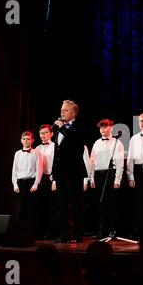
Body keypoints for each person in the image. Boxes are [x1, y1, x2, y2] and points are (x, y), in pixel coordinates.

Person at [51, 100, 87, 243]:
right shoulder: (59, 129)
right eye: (61, 110)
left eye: (65, 110)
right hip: (60, 172)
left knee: (76, 203)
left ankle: (78, 234)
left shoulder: (78, 127)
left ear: (73, 113)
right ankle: (64, 234)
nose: (62, 112)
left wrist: (62, 128)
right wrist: (54, 171)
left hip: (74, 171)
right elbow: (57, 152)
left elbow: (76, 144)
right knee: (62, 204)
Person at [89, 119, 124, 238]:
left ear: (111, 128)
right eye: (101, 128)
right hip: (99, 174)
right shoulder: (96, 143)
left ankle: (113, 229)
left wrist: (117, 179)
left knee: (112, 204)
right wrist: (92, 178)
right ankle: (101, 230)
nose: (102, 130)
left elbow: (120, 162)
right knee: (101, 203)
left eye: (105, 127)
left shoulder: (117, 143)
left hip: (111, 174)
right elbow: (92, 161)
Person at [11, 130, 42, 234]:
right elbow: (14, 170)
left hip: (31, 183)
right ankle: (19, 232)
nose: (26, 141)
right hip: (20, 183)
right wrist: (15, 184)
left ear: (32, 140)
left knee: (31, 208)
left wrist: (36, 183)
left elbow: (39, 169)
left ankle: (30, 232)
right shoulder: (17, 154)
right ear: (21, 140)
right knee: (20, 208)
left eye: (28, 139)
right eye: (24, 139)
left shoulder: (36, 153)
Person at [35, 124, 57, 240]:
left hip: (51, 177)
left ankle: (51, 232)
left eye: (45, 133)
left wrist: (55, 179)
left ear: (51, 134)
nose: (43, 135)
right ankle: (40, 231)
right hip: (40, 178)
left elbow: (57, 163)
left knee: (51, 206)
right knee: (40, 206)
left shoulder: (55, 147)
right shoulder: (37, 148)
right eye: (41, 133)